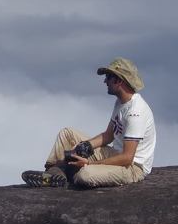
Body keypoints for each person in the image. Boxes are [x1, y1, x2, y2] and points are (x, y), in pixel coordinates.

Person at [22, 57, 156, 189]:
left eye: (108, 77)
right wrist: (86, 145)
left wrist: (89, 164)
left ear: (119, 81)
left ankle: (64, 173)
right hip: (116, 155)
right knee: (67, 133)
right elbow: (109, 135)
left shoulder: (135, 113)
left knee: (85, 175)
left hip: (132, 167)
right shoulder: (121, 103)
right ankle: (53, 172)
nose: (105, 81)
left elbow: (127, 158)